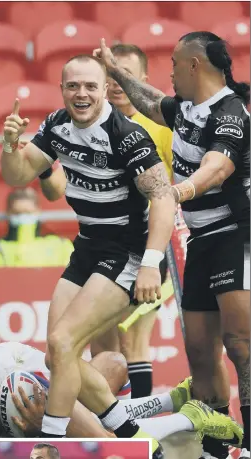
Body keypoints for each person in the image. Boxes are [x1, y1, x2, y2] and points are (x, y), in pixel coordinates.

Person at [0, 54, 243, 458]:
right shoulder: (56, 125)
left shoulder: (126, 135)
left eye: (90, 86)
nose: (82, 94)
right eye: (73, 86)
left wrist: (149, 263)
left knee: (66, 341)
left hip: (129, 251)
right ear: (62, 89)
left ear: (103, 91)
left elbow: (164, 200)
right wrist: (10, 146)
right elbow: (19, 175)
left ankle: (52, 447)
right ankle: (146, 431)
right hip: (88, 246)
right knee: (57, 353)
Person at [94, 31, 250, 459]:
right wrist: (114, 71)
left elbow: (217, 168)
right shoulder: (183, 108)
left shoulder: (231, 112)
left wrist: (177, 193)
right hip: (198, 241)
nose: (170, 71)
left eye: (175, 64)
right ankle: (220, 443)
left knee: (240, 343)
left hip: (236, 235)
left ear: (195, 65)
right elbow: (147, 100)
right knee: (200, 351)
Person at [91, 43, 174, 399]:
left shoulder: (162, 129)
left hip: (151, 247)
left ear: (142, 80)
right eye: (110, 73)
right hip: (104, 245)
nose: (116, 81)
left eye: (123, 73)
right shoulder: (91, 126)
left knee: (133, 339)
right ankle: (116, 429)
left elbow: (182, 186)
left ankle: (139, 435)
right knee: (105, 344)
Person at [0, 342, 130, 443]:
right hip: (0, 412)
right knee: (113, 364)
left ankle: (126, 441)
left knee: (103, 441)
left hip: (20, 370)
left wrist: (46, 425)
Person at [0, 188, 73, 268]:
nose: (23, 216)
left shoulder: (60, 246)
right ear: (8, 213)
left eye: (28, 212)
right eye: (17, 213)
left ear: (38, 212)